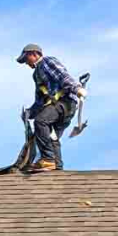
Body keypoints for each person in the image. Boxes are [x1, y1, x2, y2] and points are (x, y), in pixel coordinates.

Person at [17, 43, 86, 172]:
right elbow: (40, 101)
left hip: (64, 102)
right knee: (50, 135)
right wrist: (29, 112)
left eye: (26, 59)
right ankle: (56, 166)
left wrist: (77, 88)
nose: (26, 63)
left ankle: (48, 159)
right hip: (58, 106)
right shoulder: (36, 75)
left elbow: (63, 76)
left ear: (34, 54)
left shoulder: (47, 62)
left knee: (41, 121)